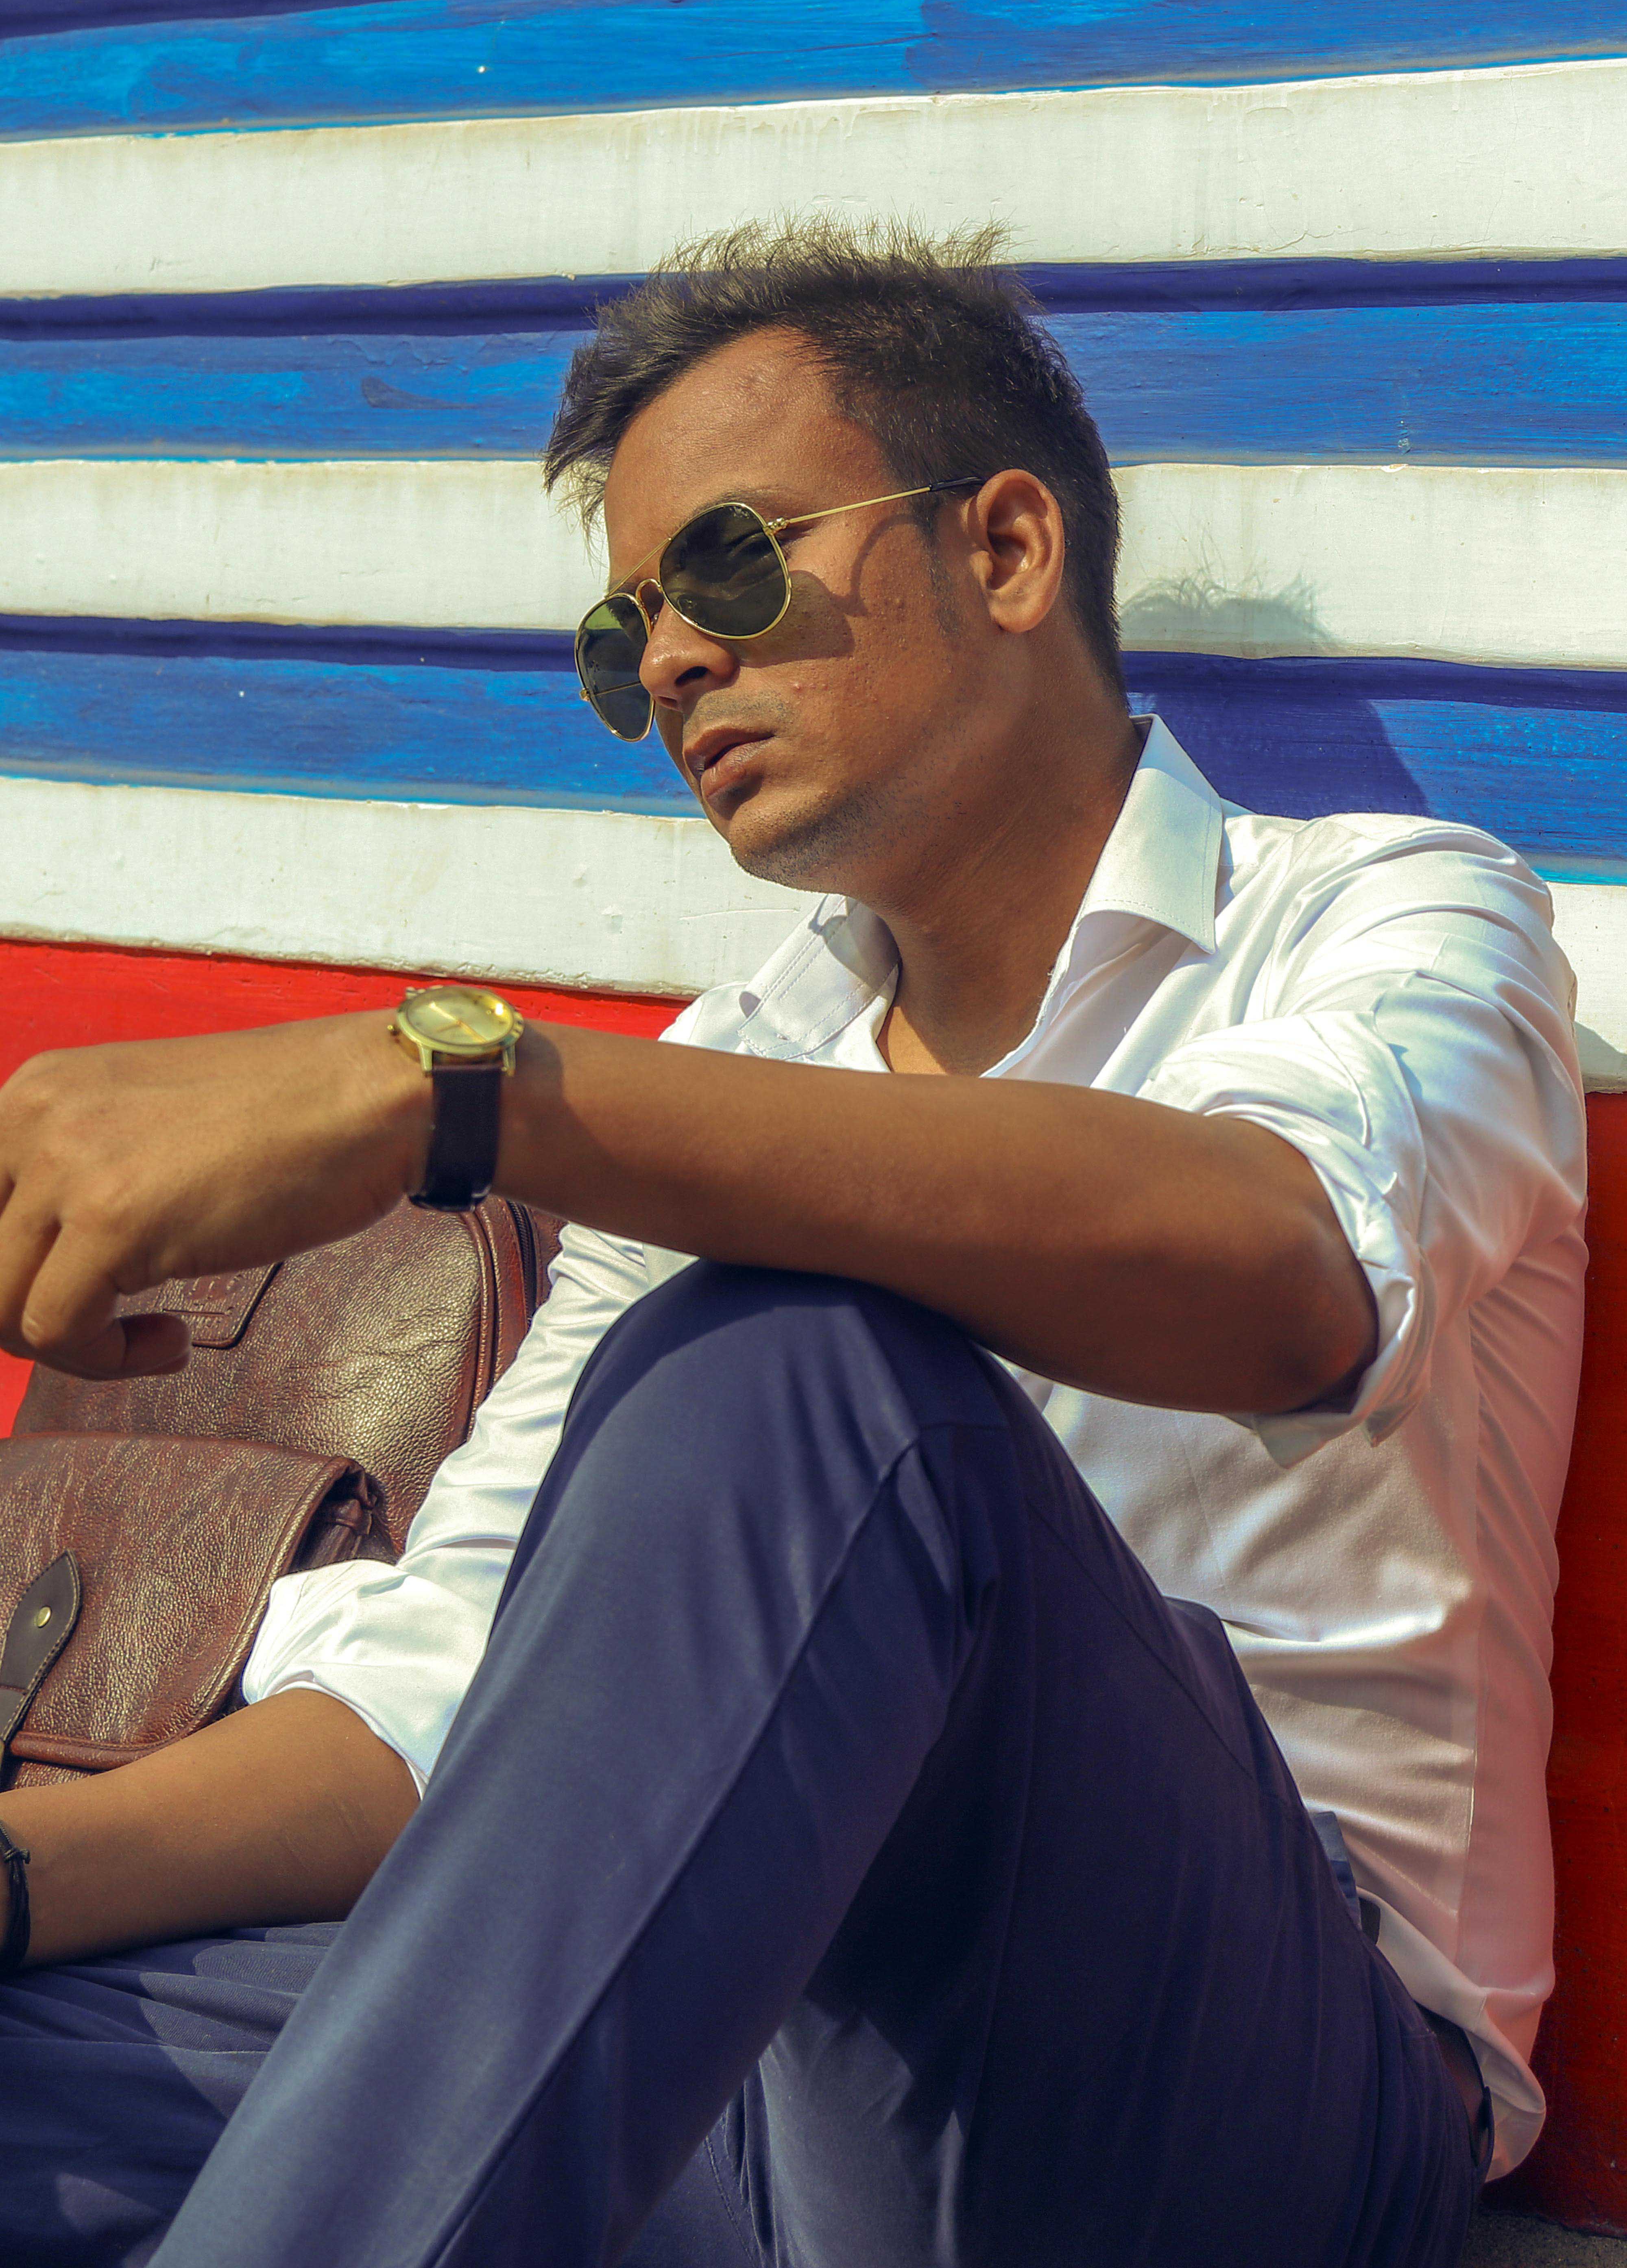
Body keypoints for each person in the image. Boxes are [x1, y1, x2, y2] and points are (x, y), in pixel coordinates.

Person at [0, 225, 1586, 2268]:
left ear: (1003, 549)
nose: (666, 664)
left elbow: (1282, 1274)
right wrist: (28, 1875)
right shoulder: (727, 1069)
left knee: (803, 1370)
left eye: (730, 568)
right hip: (757, 2031)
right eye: (625, 633)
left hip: (1247, 2087)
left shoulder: (1396, 918)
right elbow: (444, 1698)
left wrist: (450, 1091)